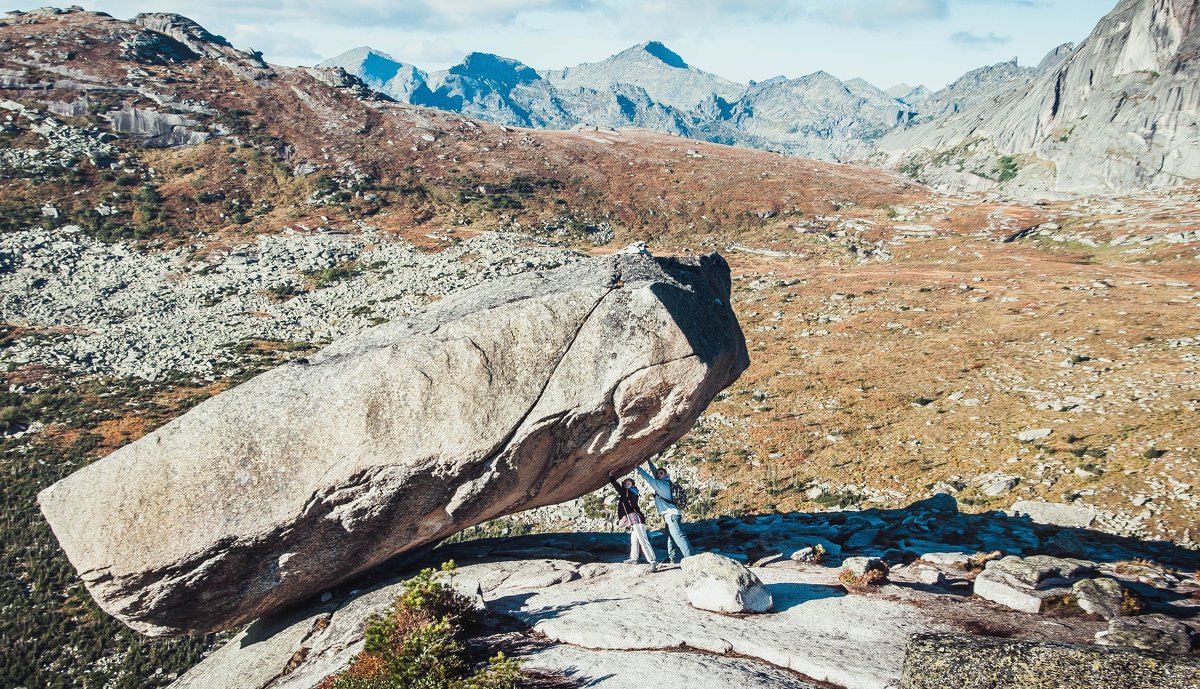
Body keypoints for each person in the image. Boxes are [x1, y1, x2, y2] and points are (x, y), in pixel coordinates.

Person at [637, 459, 694, 564]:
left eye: (661, 473)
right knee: (670, 537)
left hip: (671, 515)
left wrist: (638, 468)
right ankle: (671, 559)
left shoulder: (661, 485)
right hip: (672, 515)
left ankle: (690, 559)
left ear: (665, 474)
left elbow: (649, 478)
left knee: (679, 536)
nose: (658, 474)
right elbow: (654, 473)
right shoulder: (666, 482)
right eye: (658, 473)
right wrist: (649, 461)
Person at [608, 471, 658, 572]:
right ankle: (634, 558)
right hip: (635, 519)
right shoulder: (630, 493)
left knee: (643, 540)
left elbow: (618, 488)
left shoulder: (628, 492)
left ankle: (652, 561)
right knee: (634, 540)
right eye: (625, 483)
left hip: (637, 519)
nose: (626, 484)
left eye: (628, 483)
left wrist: (611, 478)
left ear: (632, 485)